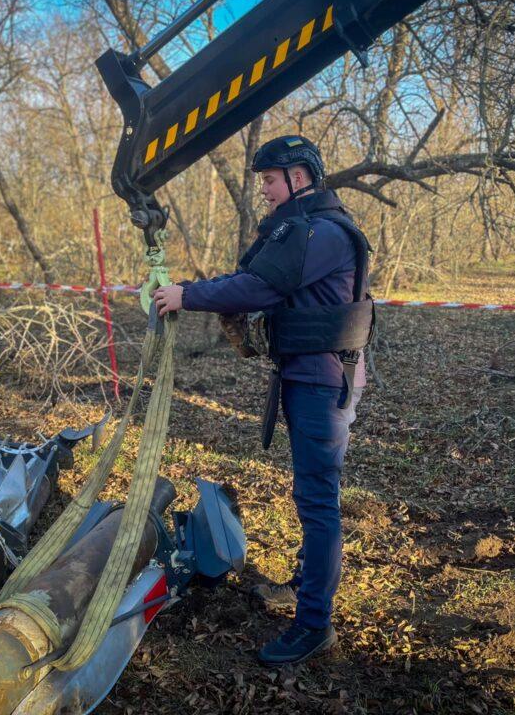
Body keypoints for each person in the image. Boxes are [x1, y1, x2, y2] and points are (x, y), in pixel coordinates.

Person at [152, 135, 373, 666]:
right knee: (312, 498)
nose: (266, 193)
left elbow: (255, 289)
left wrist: (187, 296)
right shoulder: (304, 228)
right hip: (309, 375)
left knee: (318, 504)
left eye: (271, 181)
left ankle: (315, 626)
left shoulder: (324, 234)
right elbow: (254, 278)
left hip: (323, 382)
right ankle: (305, 586)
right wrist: (191, 288)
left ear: (299, 178)